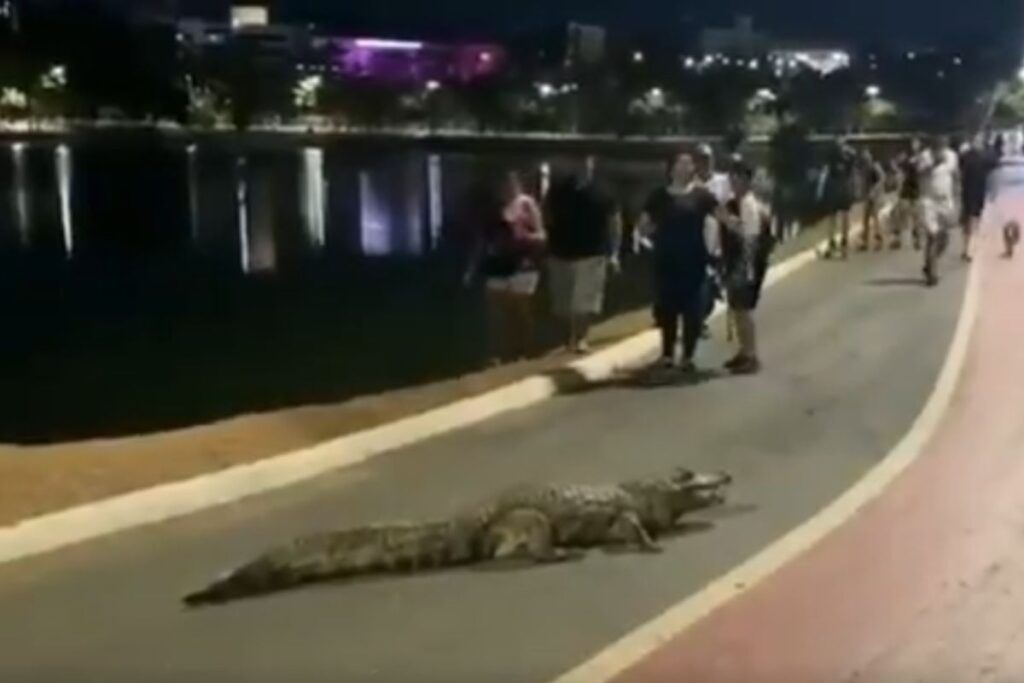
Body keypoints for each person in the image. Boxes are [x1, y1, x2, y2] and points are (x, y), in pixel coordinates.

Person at [635, 150, 720, 375]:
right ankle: (667, 354)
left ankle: (688, 356)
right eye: (682, 164)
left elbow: (722, 216)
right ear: (671, 168)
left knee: (693, 311)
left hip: (694, 261)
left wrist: (740, 229)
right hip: (666, 260)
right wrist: (648, 232)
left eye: (689, 164)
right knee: (667, 309)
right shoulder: (658, 196)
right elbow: (643, 225)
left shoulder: (702, 196)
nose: (687, 168)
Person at [465, 171, 546, 365]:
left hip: (523, 266)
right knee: (497, 313)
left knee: (521, 311)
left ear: (517, 185)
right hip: (498, 265)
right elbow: (482, 240)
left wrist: (524, 237)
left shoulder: (527, 205)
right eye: (502, 185)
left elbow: (542, 235)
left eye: (510, 184)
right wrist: (471, 268)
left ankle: (522, 351)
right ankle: (497, 353)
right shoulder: (493, 209)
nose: (506, 189)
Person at [544, 156, 622, 354]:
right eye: (577, 163)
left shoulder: (603, 192)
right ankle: (566, 341)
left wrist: (614, 253)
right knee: (562, 304)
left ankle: (581, 339)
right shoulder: (559, 190)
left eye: (585, 162)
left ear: (592, 164)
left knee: (584, 301)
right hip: (560, 252)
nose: (581, 167)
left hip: (592, 252)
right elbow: (546, 214)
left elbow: (615, 223)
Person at [720, 160, 773, 375]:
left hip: (746, 263)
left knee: (744, 309)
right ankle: (744, 351)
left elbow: (749, 239)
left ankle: (751, 355)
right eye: (731, 176)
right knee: (738, 309)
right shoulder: (738, 202)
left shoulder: (748, 205)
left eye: (738, 177)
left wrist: (745, 269)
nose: (733, 181)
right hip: (738, 261)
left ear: (747, 180)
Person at [916, 135, 960, 287]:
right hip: (928, 201)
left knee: (944, 238)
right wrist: (934, 163)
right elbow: (920, 173)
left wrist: (958, 198)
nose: (941, 147)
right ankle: (932, 275)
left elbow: (955, 176)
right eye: (938, 144)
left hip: (945, 200)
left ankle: (930, 263)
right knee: (932, 236)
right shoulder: (925, 156)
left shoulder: (952, 156)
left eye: (943, 144)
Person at [958, 133, 998, 262]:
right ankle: (969, 249)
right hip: (973, 191)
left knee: (971, 221)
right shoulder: (980, 156)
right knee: (972, 221)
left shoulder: (973, 156)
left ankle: (969, 248)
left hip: (973, 191)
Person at [818, 139, 857, 259]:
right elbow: (852, 172)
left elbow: (825, 172)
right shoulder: (848, 156)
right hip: (843, 188)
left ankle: (833, 243)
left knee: (833, 217)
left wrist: (820, 189)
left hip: (835, 189)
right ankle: (843, 244)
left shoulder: (833, 156)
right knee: (843, 217)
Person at [857, 149, 886, 252]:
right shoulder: (864, 168)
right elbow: (863, 182)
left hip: (875, 195)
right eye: (864, 157)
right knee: (865, 219)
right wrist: (862, 193)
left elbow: (882, 178)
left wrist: (875, 190)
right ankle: (864, 241)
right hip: (867, 195)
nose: (865, 158)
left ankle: (878, 240)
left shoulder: (875, 166)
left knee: (875, 218)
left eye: (867, 156)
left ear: (870, 156)